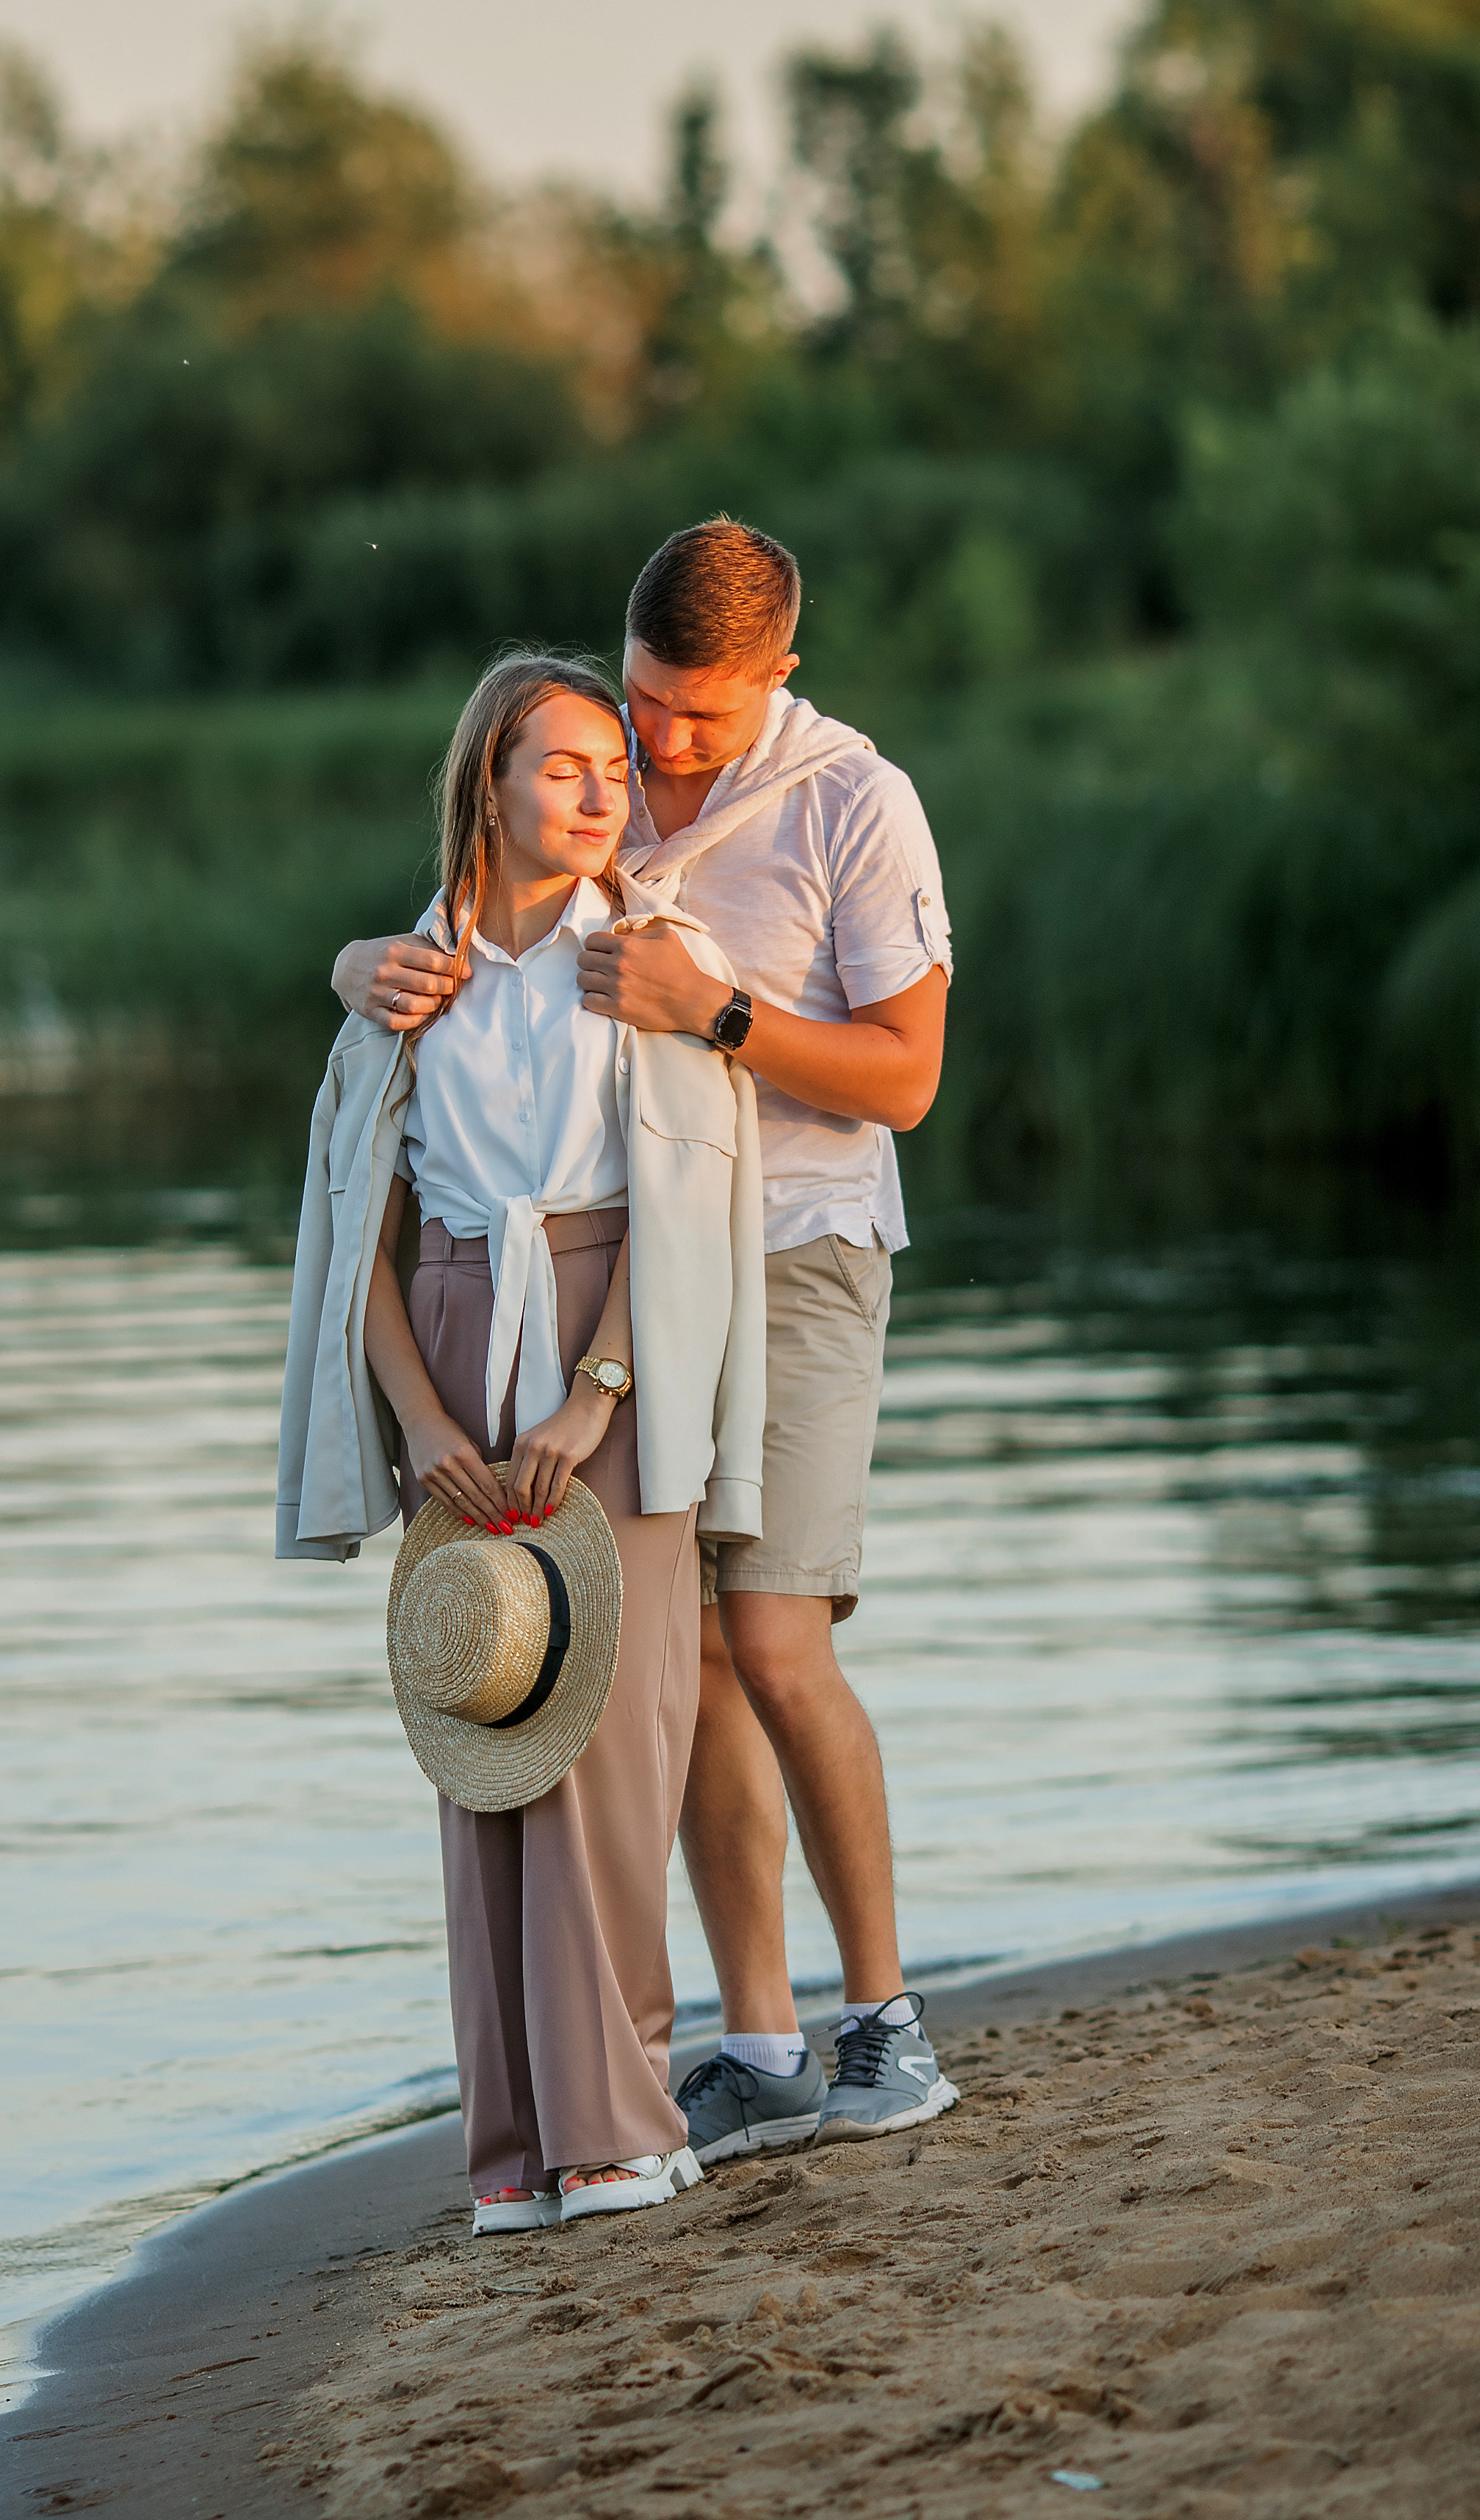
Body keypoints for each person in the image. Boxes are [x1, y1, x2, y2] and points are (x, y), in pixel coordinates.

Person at [333, 520, 960, 2159]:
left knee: (777, 1639)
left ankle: (885, 2023)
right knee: (682, 1658)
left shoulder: (851, 801)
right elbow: (468, 935)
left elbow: (904, 1079)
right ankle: (758, 2042)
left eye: (700, 714)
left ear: (779, 676)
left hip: (797, 1248)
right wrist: (358, 964)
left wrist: (720, 1015)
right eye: (645, 700)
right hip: (643, 1268)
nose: (663, 743)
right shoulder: (591, 772)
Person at [278, 652, 765, 2231]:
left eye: (611, 768)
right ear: (486, 782)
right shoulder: (408, 977)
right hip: (450, 1331)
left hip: (613, 1342)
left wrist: (594, 1392)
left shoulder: (649, 957)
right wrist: (422, 1421)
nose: (600, 793)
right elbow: (356, 1222)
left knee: (612, 1741)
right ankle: (510, 2151)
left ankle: (612, 2124)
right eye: (562, 767)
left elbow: (683, 1200)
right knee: (486, 1722)